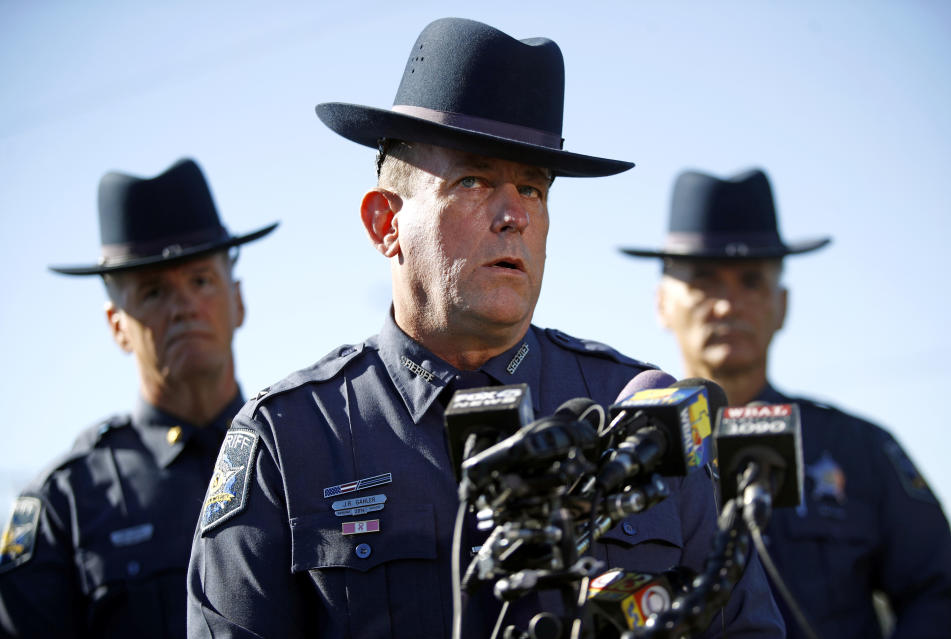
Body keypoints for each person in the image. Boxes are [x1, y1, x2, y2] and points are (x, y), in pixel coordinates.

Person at [187, 18, 783, 639]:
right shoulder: (292, 438)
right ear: (384, 222)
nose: (513, 216)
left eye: (533, 187)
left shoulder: (639, 415)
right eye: (472, 181)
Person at [620, 167, 951, 638]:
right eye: (703, 279)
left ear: (783, 305)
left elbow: (937, 592)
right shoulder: (620, 453)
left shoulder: (858, 450)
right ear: (661, 303)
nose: (726, 304)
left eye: (751, 281)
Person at [0, 158, 277, 638]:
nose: (183, 306)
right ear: (116, 326)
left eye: (201, 281)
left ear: (239, 300)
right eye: (152, 291)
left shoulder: (308, 450)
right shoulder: (67, 505)